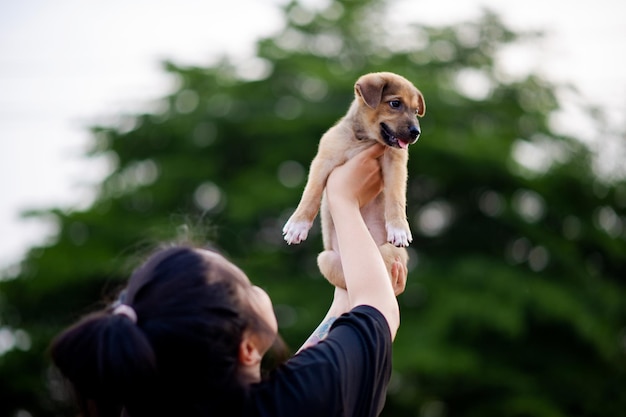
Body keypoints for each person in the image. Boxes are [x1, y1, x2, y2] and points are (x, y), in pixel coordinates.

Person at [49, 143, 407, 417]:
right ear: (248, 347)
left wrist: (353, 279)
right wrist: (342, 200)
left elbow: (340, 338)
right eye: (247, 287)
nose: (255, 287)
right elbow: (375, 311)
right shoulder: (289, 405)